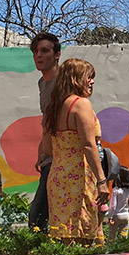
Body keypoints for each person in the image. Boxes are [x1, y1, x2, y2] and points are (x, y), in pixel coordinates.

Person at [41, 58, 110, 244]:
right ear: (75, 79)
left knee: (65, 240)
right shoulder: (81, 104)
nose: (92, 81)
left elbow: (46, 148)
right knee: (84, 241)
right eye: (89, 77)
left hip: (58, 177)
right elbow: (88, 145)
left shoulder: (52, 108)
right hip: (80, 178)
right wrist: (102, 181)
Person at [28, 32, 61, 230]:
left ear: (57, 54)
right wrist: (42, 149)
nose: (38, 56)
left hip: (63, 160)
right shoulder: (43, 83)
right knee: (40, 218)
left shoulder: (63, 83)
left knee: (38, 218)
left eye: (45, 51)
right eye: (35, 51)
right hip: (49, 159)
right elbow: (47, 120)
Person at [106, 166, 129, 242]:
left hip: (116, 215)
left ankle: (110, 251)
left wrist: (110, 216)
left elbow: (113, 205)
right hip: (126, 215)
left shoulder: (116, 190)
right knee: (123, 236)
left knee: (111, 236)